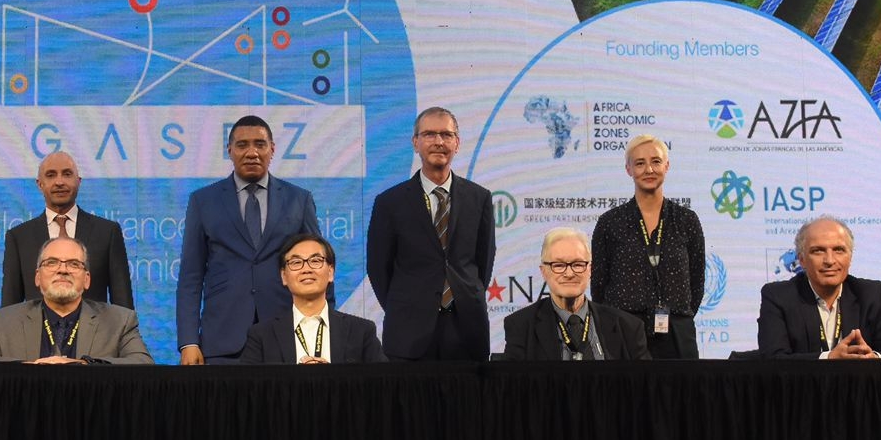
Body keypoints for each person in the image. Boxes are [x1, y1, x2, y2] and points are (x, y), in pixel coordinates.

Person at [176, 115, 322, 364]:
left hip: (288, 338)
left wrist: (320, 335)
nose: (252, 152)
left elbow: (319, 269)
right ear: (229, 150)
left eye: (260, 144)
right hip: (222, 341)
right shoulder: (203, 201)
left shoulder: (299, 199)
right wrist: (189, 342)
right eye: (242, 145)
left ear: (272, 149)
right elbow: (191, 276)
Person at [366, 106, 495, 360]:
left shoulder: (479, 197)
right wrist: (405, 305)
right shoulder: (390, 202)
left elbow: (484, 262)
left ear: (457, 143)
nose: (439, 141)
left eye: (446, 135)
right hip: (408, 331)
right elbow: (379, 268)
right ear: (415, 142)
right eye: (429, 134)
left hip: (468, 329)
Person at [589, 134, 704, 360]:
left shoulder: (686, 220)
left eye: (656, 161)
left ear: (667, 166)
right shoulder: (610, 223)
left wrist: (678, 314)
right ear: (628, 169)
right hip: (622, 330)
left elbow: (697, 281)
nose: (649, 169)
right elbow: (599, 286)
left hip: (677, 331)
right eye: (640, 163)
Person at [0, 236, 152, 363]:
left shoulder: (120, 321)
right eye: (52, 262)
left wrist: (85, 365)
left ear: (87, 279)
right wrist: (29, 368)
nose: (63, 270)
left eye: (74, 264)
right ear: (37, 277)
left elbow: (142, 363)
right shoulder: (2, 322)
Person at [756, 215, 881, 359]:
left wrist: (873, 359)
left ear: (850, 257)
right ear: (802, 260)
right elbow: (773, 360)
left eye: (838, 250)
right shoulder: (778, 296)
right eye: (818, 251)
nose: (829, 260)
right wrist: (829, 358)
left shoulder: (873, 294)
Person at [1, 150, 134, 308]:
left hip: (93, 325)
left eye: (67, 174)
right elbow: (9, 308)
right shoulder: (19, 237)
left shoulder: (107, 232)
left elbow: (123, 306)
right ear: (40, 184)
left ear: (78, 181)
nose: (59, 182)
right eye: (51, 175)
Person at [502, 228, 650, 361]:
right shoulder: (521, 326)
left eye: (578, 264)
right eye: (558, 265)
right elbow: (513, 381)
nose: (569, 273)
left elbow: (645, 380)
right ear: (544, 272)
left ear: (590, 269)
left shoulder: (628, 327)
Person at [241, 235, 386, 364]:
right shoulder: (261, 335)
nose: (306, 269)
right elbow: (249, 385)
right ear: (284, 276)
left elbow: (382, 382)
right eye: (296, 262)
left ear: (330, 272)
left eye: (315, 261)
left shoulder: (361, 331)